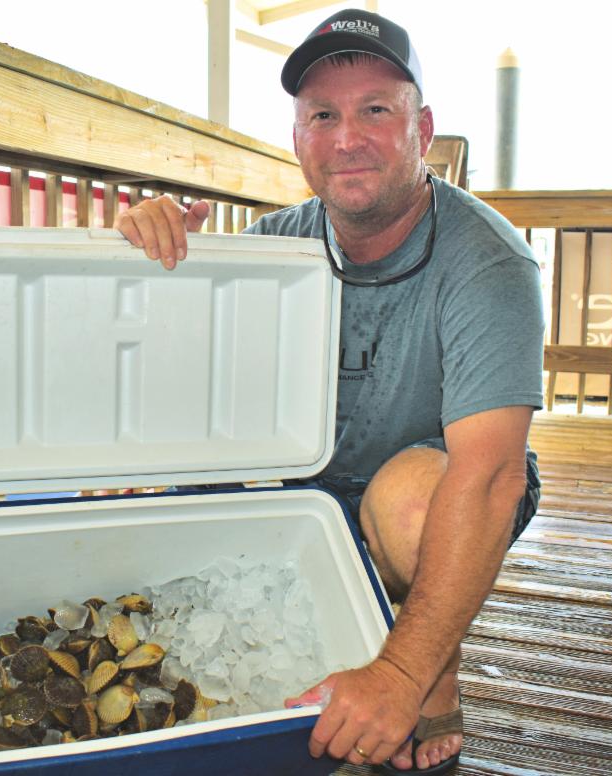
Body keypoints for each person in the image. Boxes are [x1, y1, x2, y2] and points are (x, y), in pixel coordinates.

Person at [115, 8, 544, 774]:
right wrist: (159, 256)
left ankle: (431, 667)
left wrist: (400, 673)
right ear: (297, 138)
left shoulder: (489, 262)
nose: (347, 138)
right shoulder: (270, 245)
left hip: (427, 491)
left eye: (375, 110)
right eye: (323, 116)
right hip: (303, 496)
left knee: (410, 503)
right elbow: (172, 387)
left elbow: (492, 476)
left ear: (422, 129)